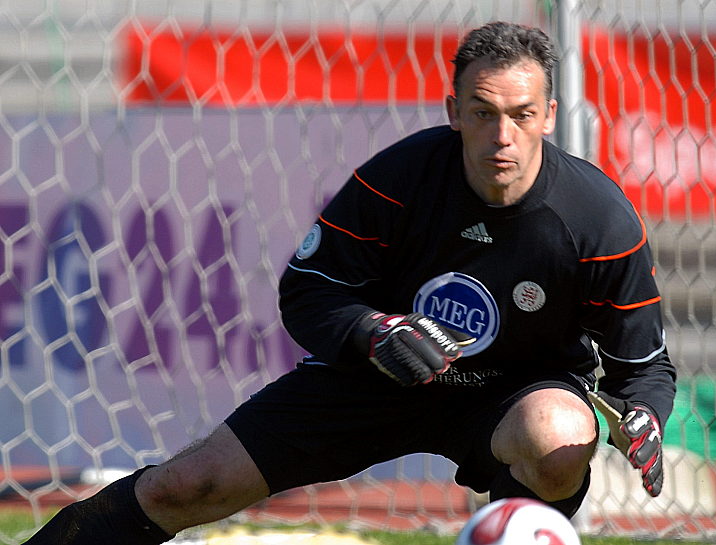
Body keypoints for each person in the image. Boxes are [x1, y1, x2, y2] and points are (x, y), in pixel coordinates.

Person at [24, 21, 676, 544]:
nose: (502, 136)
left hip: (513, 398)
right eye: (482, 112)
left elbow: (644, 366)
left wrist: (645, 417)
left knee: (558, 437)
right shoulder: (397, 179)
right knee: (183, 487)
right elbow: (306, 290)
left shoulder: (599, 219)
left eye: (522, 114)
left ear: (550, 115)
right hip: (374, 378)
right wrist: (373, 333)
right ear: (453, 110)